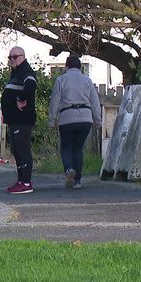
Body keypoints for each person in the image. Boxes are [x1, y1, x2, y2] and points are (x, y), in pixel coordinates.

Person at [48, 55, 102, 189]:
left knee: (66, 147)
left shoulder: (61, 80)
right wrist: (98, 120)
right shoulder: (87, 81)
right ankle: (77, 181)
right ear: (80, 67)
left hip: (67, 118)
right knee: (78, 149)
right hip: (85, 119)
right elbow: (95, 102)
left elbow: (54, 101)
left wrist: (51, 120)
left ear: (66, 67)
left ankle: (69, 169)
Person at [1, 47, 37, 194]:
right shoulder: (16, 73)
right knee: (16, 150)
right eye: (10, 57)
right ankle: (21, 180)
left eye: (15, 57)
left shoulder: (26, 71)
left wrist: (21, 99)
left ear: (22, 57)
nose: (12, 60)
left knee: (23, 150)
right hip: (14, 120)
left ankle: (27, 182)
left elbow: (31, 85)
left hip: (22, 120)